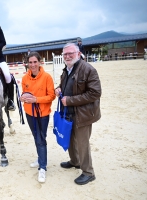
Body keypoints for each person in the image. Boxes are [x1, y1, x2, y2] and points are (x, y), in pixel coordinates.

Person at [55, 43, 101, 185]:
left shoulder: (88, 69)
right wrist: (58, 88)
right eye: (65, 54)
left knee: (82, 143)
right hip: (69, 112)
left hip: (83, 114)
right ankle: (75, 161)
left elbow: (95, 93)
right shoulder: (67, 69)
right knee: (70, 139)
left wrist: (70, 100)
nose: (67, 56)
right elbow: (66, 86)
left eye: (70, 53)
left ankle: (88, 172)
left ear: (78, 53)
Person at [20, 52, 55, 183]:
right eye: (30, 62)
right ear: (27, 64)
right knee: (36, 137)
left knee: (41, 138)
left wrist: (36, 99)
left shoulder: (47, 77)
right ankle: (41, 158)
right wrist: (22, 98)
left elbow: (51, 96)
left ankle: (43, 167)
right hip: (30, 113)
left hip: (43, 114)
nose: (33, 65)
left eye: (35, 62)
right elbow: (25, 94)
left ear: (40, 62)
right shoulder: (24, 78)